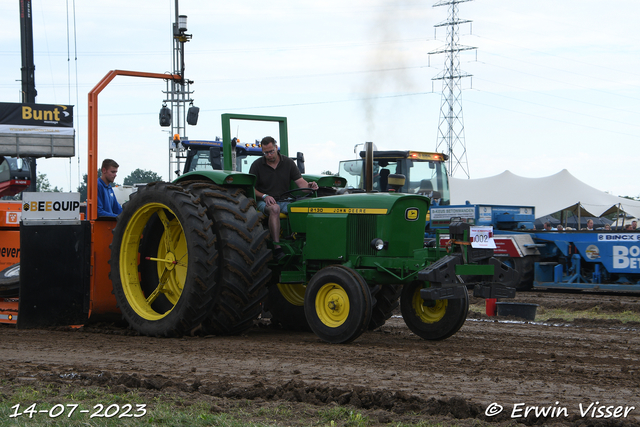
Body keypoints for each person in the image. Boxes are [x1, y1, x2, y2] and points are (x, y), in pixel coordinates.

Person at [250, 136, 318, 259]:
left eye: (271, 151)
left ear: (276, 148)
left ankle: (304, 242)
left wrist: (310, 186)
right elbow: (251, 188)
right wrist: (264, 196)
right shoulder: (257, 165)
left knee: (306, 207)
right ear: (262, 152)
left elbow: (300, 182)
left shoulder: (288, 163)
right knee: (274, 208)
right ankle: (277, 248)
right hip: (264, 202)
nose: (269, 155)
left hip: (285, 200)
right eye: (266, 153)